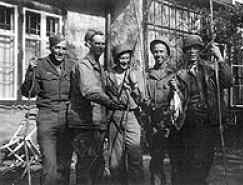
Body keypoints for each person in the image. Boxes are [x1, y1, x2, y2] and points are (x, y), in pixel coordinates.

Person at [168, 34, 232, 185]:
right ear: (185, 51)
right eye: (189, 49)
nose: (192, 52)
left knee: (204, 160)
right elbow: (178, 102)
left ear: (200, 50)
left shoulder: (211, 69)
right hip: (189, 123)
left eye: (196, 48)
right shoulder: (180, 74)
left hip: (208, 122)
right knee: (191, 161)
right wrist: (175, 89)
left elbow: (228, 81)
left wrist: (220, 58)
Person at [68, 29, 126, 185]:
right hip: (84, 123)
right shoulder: (84, 66)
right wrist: (111, 103)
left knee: (98, 163)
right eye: (97, 43)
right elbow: (90, 91)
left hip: (98, 122)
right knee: (86, 164)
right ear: (88, 44)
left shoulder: (99, 67)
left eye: (102, 43)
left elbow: (105, 89)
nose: (100, 47)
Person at [21, 33, 75, 185]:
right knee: (49, 165)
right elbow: (28, 92)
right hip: (47, 118)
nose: (60, 52)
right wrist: (30, 72)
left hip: (66, 117)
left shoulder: (71, 66)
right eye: (57, 48)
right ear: (51, 48)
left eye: (63, 48)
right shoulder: (40, 65)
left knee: (64, 164)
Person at [105, 43, 144, 185]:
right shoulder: (108, 75)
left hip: (132, 116)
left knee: (135, 157)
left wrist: (134, 86)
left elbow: (142, 100)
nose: (125, 61)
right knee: (116, 160)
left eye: (127, 58)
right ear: (116, 59)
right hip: (114, 117)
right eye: (122, 58)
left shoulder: (135, 74)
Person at [140, 37, 175, 185]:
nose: (158, 54)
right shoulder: (148, 75)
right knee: (156, 161)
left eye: (161, 51)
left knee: (176, 160)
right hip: (154, 124)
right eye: (155, 52)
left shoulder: (175, 74)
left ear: (167, 53)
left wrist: (176, 89)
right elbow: (143, 97)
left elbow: (181, 100)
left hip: (172, 124)